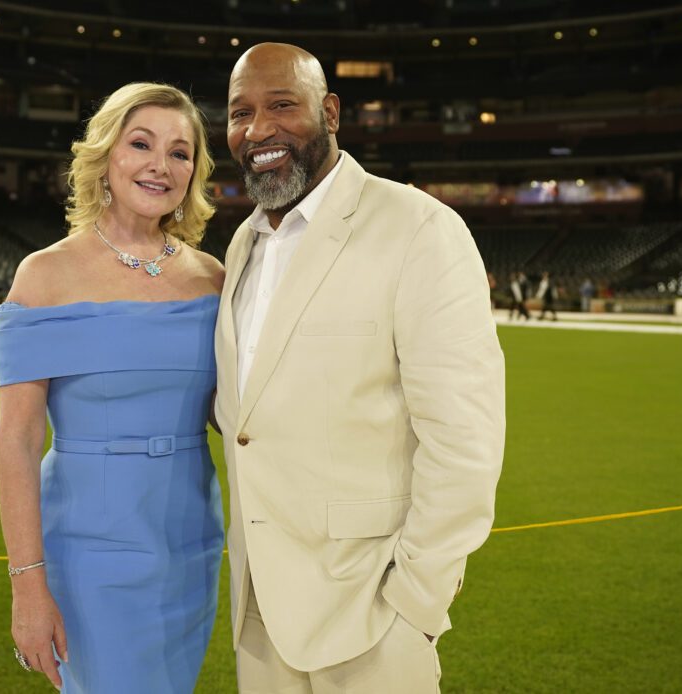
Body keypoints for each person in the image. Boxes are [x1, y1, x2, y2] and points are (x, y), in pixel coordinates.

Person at [214, 43, 505, 693]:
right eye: (240, 113)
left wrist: (415, 607)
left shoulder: (419, 228)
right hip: (260, 616)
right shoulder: (242, 245)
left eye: (282, 105)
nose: (258, 130)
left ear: (331, 112)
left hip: (371, 617)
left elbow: (465, 443)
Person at [0, 82, 225, 693]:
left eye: (181, 152)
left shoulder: (214, 278)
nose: (160, 165)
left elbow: (234, 413)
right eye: (141, 143)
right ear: (105, 157)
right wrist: (27, 585)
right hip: (89, 549)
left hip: (191, 541)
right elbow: (16, 440)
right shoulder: (44, 275)